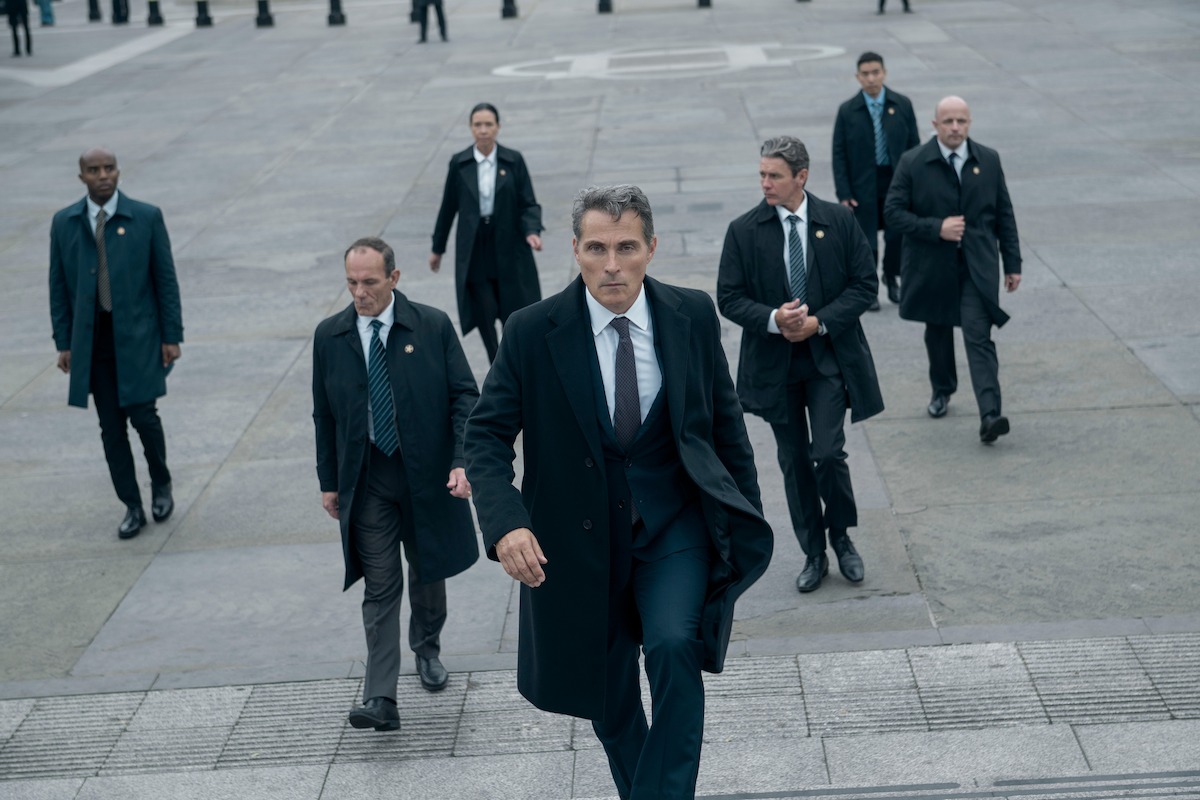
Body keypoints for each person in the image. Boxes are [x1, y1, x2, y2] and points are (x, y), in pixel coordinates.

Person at [465, 185, 773, 799]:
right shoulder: (530, 332)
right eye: (597, 247)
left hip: (674, 528)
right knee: (608, 701)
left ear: (651, 248)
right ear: (575, 250)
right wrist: (506, 523)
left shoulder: (691, 314)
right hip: (575, 545)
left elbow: (726, 428)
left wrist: (743, 519)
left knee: (672, 646)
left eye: (626, 247)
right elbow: (486, 437)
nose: (612, 265)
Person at [313, 237, 480, 732]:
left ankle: (427, 648)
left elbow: (464, 397)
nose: (359, 293)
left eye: (369, 282)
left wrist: (460, 460)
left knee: (428, 572)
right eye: (351, 283)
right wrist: (328, 481)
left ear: (394, 278)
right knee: (381, 586)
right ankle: (380, 696)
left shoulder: (431, 326)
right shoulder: (331, 336)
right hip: (368, 482)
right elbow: (324, 415)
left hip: (427, 477)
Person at [717, 137, 883, 594]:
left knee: (828, 453)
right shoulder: (744, 230)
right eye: (762, 175)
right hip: (775, 370)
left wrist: (819, 323)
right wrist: (773, 319)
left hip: (828, 361)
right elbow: (728, 297)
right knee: (793, 461)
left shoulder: (839, 220)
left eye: (774, 176)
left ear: (801, 177)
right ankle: (814, 551)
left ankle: (842, 536)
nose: (765, 184)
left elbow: (865, 284)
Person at [49, 148, 182, 540]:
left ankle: (161, 483)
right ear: (82, 178)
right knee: (111, 428)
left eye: (109, 168)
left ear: (119, 172)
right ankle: (132, 505)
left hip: (139, 338)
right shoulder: (65, 223)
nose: (103, 175)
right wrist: (64, 342)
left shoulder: (146, 216)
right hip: (93, 344)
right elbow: (58, 287)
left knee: (144, 417)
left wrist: (171, 335)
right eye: (94, 170)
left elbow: (166, 281)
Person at [884, 96, 1022, 443]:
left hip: (977, 267)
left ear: (970, 122)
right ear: (935, 125)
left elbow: (1004, 214)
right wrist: (936, 228)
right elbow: (893, 212)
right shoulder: (913, 161)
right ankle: (942, 389)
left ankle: (990, 414)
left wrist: (1013, 263)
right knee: (939, 332)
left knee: (978, 335)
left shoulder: (987, 160)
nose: (955, 127)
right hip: (933, 268)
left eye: (961, 121)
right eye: (948, 122)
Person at [429, 102, 544, 364]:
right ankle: (497, 364)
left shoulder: (513, 160)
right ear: (470, 128)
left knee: (512, 308)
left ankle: (512, 360)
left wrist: (532, 231)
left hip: (508, 244)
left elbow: (528, 203)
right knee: (483, 310)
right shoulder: (460, 163)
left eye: (488, 125)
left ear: (498, 127)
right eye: (477, 125)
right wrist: (438, 249)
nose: (483, 130)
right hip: (475, 247)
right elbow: (448, 208)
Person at [832, 51, 919, 308]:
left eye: (876, 73)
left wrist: (917, 184)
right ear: (857, 77)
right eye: (865, 74)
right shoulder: (848, 111)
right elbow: (839, 153)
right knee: (866, 241)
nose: (871, 78)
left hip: (896, 182)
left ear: (884, 73)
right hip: (862, 184)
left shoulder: (901, 104)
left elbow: (915, 147)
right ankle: (870, 289)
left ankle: (892, 278)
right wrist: (844, 192)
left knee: (896, 236)